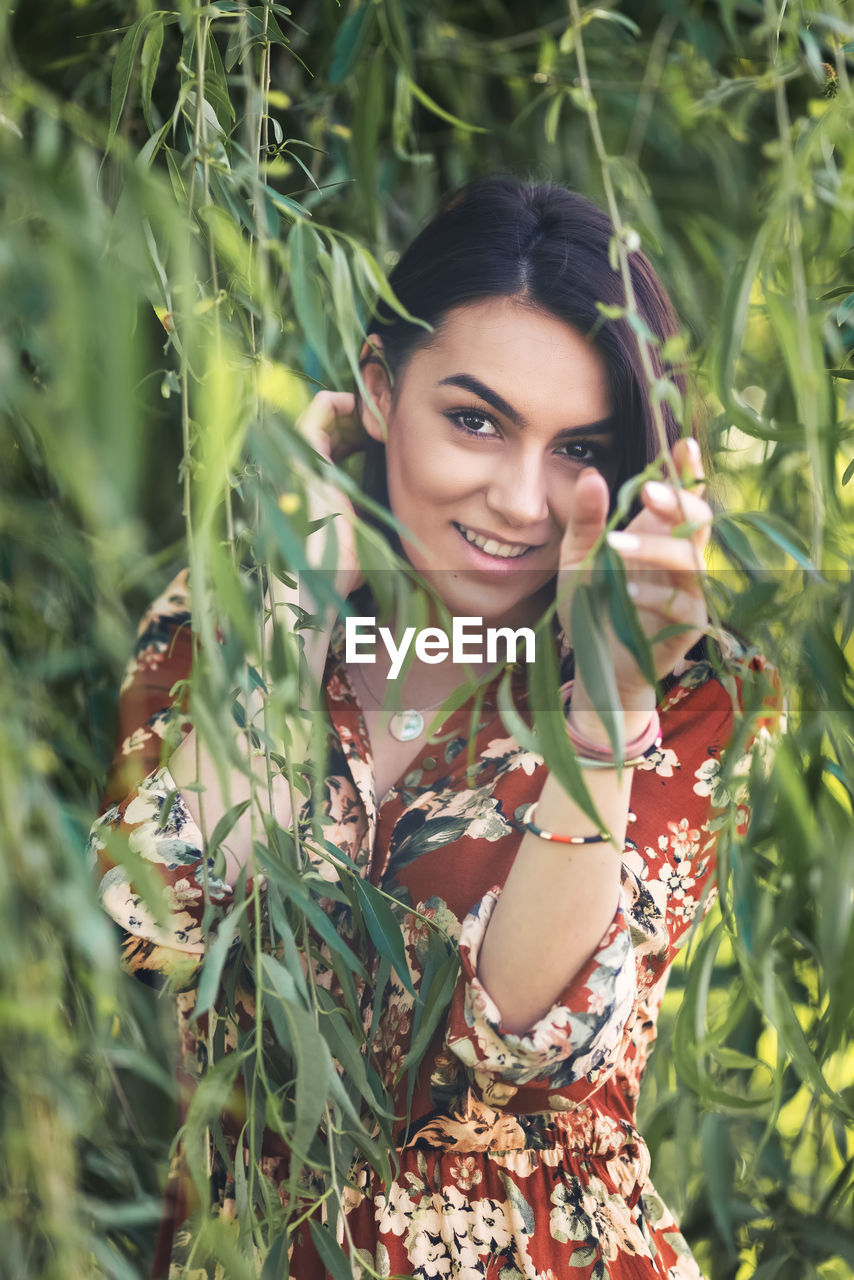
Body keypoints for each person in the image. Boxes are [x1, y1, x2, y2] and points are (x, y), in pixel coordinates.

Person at [89, 176, 778, 1280]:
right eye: (474, 419)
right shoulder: (215, 616)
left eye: (579, 450)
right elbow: (160, 909)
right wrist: (295, 599)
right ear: (375, 387)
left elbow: (518, 1040)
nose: (518, 498)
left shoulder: (693, 690)